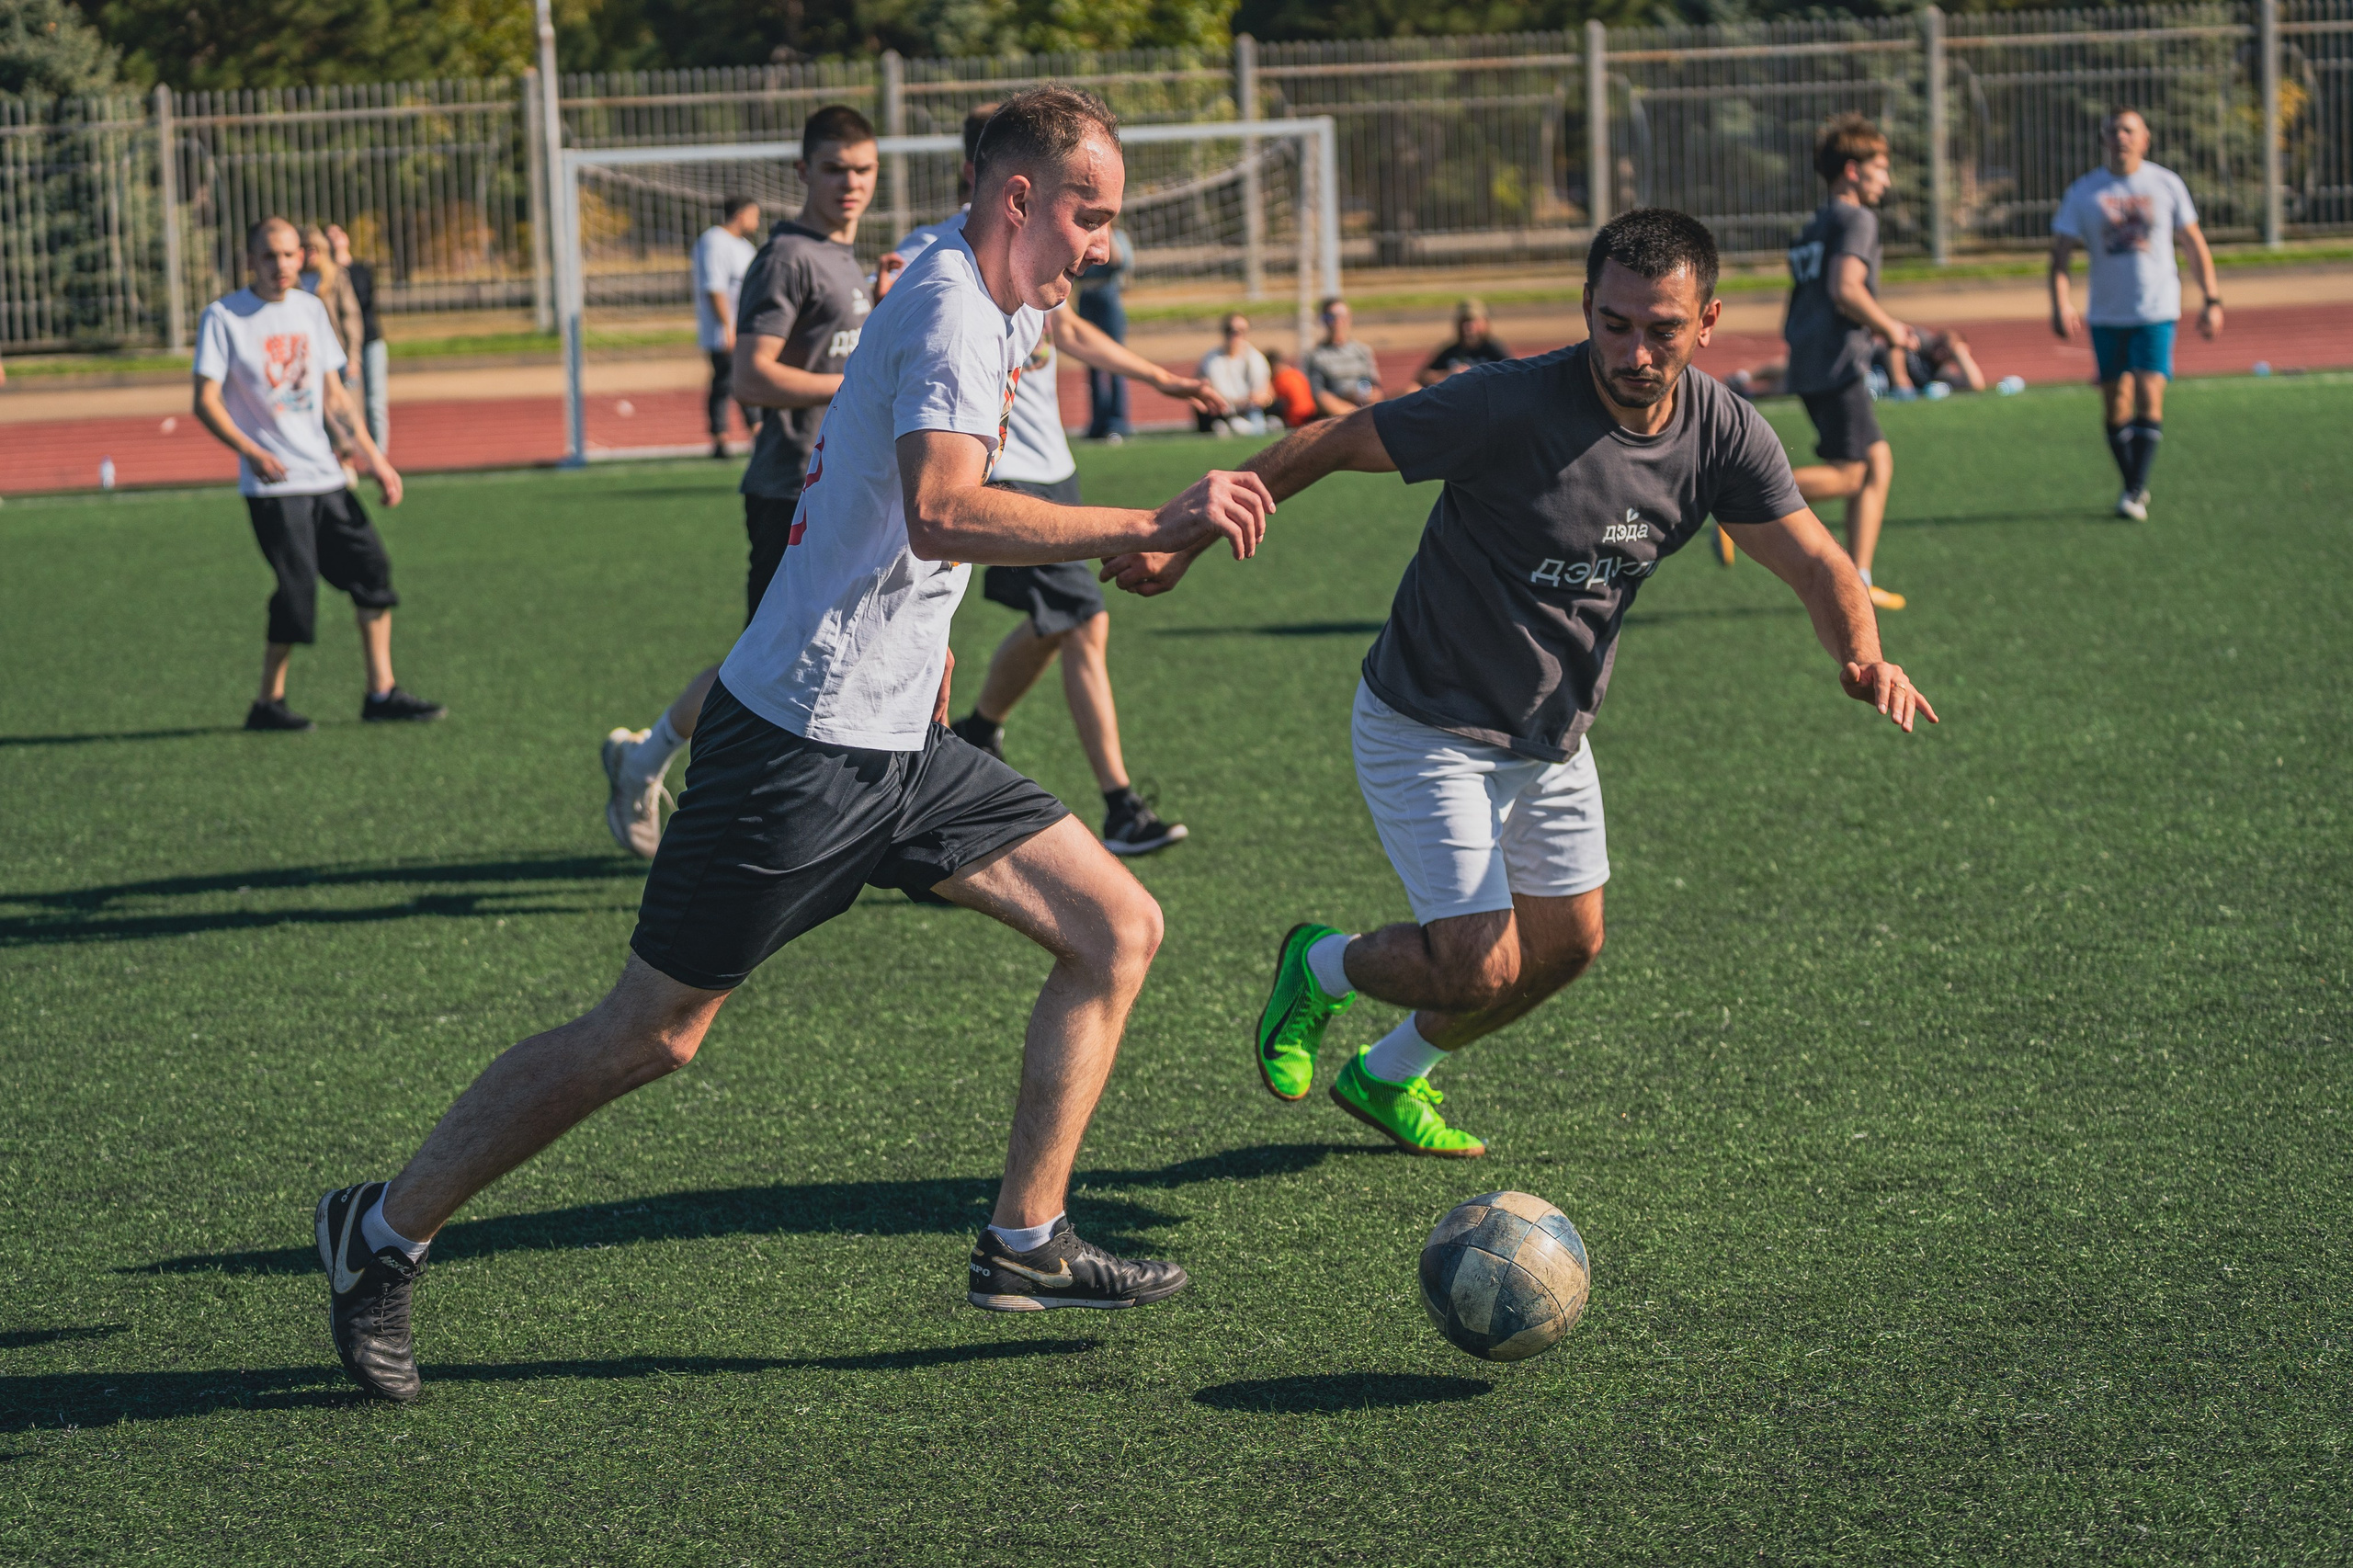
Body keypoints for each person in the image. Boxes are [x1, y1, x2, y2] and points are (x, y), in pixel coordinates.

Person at [316, 86, 1277, 1403]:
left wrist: (1030, 589)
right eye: (1089, 216)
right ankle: (380, 1234)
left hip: (904, 741)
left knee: (1117, 929)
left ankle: (1024, 1236)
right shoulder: (948, 306)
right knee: (650, 1034)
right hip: (802, 748)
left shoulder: (991, 295)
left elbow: (911, 527)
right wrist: (1135, 523)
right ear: (1016, 201)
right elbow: (940, 511)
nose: (1099, 245)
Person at [1099, 209, 1937, 1158]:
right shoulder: (1505, 404)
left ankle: (1387, 1074)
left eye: (1660, 329)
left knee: (1568, 946)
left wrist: (1860, 655)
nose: (1632, 349)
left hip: (1550, 736)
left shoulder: (1721, 432)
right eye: (1612, 322)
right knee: (1478, 963)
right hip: (1427, 720)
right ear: (1586, 306)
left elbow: (1820, 562)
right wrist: (1185, 540)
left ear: (1706, 321)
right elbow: (1334, 439)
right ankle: (1320, 964)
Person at [899, 102, 1227, 858]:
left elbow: (1068, 333)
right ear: (1003, 181)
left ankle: (976, 733)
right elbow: (931, 485)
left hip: (1056, 467)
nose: (1100, 247)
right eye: (1089, 215)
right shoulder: (940, 271)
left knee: (1063, 624)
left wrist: (1162, 381)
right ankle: (1118, 804)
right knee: (1080, 621)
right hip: (1004, 475)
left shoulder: (1034, 262)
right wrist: (1150, 525)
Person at [602, 109, 879, 857]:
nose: (849, 184)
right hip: (790, 490)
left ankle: (680, 770)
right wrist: (852, 383)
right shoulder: (787, 257)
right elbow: (753, 377)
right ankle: (652, 761)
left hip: (842, 490)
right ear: (801, 173)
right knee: (770, 668)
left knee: (820, 658)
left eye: (862, 170)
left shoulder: (848, 259)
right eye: (833, 169)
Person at [194, 218, 442, 732]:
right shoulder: (223, 317)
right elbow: (205, 401)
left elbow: (335, 397)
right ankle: (268, 703)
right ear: (250, 261)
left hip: (325, 476)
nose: (282, 265)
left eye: (290, 255)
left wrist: (375, 460)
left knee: (373, 573)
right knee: (297, 594)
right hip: (274, 484)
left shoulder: (310, 310)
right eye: (270, 256)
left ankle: (381, 691)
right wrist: (250, 450)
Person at [2049, 108, 2222, 522]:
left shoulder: (2166, 184)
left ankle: (2135, 488)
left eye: (2129, 130)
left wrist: (2211, 298)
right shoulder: (2085, 192)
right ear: (2103, 139)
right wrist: (2060, 301)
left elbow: (2193, 241)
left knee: (2149, 392)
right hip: (2107, 314)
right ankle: (2132, 484)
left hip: (2157, 308)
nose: (2120, 137)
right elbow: (2060, 255)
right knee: (2115, 404)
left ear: (2145, 138)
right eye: (2113, 131)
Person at [1782, 114, 1914, 612]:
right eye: (1882, 167)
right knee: (1851, 473)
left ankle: (1858, 576)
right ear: (1854, 171)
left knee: (1877, 460)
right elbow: (1844, 288)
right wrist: (1891, 328)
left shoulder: (1812, 224)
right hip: (1838, 361)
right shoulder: (1857, 218)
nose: (1888, 179)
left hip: (1812, 357)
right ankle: (1743, 502)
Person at [694, 194, 764, 460]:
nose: (756, 222)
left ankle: (755, 433)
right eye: (753, 215)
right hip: (727, 331)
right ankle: (721, 439)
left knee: (741, 380)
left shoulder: (743, 246)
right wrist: (728, 327)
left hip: (746, 328)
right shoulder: (714, 242)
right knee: (726, 383)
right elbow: (715, 288)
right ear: (740, 214)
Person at [325, 224, 389, 450]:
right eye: (329, 235)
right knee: (344, 401)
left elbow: (362, 303)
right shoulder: (326, 276)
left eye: (338, 233)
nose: (334, 238)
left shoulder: (361, 270)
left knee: (375, 400)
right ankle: (345, 455)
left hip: (369, 342)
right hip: (340, 348)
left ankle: (379, 454)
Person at [1077, 223, 1133, 439]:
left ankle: (1117, 423)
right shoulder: (1084, 236)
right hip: (1086, 298)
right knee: (1092, 364)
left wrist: (1106, 231)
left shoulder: (1117, 235)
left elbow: (1121, 262)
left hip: (1107, 296)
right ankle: (1098, 423)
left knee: (1115, 362)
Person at [1305, 298, 1382, 419]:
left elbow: (1376, 386)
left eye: (1342, 316)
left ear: (1349, 318)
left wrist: (1370, 394)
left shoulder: (1362, 351)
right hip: (1337, 409)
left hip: (1364, 403)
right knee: (1325, 399)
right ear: (1324, 320)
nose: (1337, 321)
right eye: (1332, 317)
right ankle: (1355, 418)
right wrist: (1347, 398)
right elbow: (1318, 395)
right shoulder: (1316, 356)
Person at [1197, 312, 1273, 434]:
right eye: (1230, 330)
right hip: (1223, 408)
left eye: (1240, 331)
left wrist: (1261, 398)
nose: (1235, 335)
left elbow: (1269, 392)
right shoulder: (1211, 360)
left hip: (1252, 408)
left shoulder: (1256, 358)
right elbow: (1203, 389)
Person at [1416, 298, 1509, 385]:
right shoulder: (1451, 351)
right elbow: (1423, 377)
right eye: (1464, 321)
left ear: (1485, 322)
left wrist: (1476, 374)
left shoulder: (1492, 350)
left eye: (1473, 321)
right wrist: (1449, 374)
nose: (1468, 327)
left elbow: (1511, 374)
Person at [1876, 327, 1987, 397]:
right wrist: (1900, 380)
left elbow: (1976, 386)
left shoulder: (1941, 373)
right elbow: (1895, 346)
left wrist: (1961, 353)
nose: (1940, 351)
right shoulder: (1921, 340)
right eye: (1941, 344)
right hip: (1876, 371)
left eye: (1947, 349)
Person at [1266, 347, 1317, 428]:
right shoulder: (1296, 373)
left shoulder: (1281, 379)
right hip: (1310, 415)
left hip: (1295, 419)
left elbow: (1271, 397)